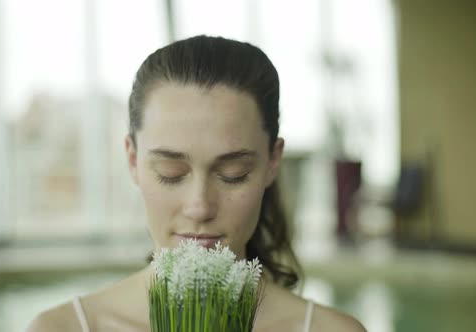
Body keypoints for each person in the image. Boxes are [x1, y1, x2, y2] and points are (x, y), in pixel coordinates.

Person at [28, 35, 366, 332]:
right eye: (171, 173)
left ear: (272, 162)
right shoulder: (62, 328)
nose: (200, 207)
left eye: (233, 174)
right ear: (133, 160)